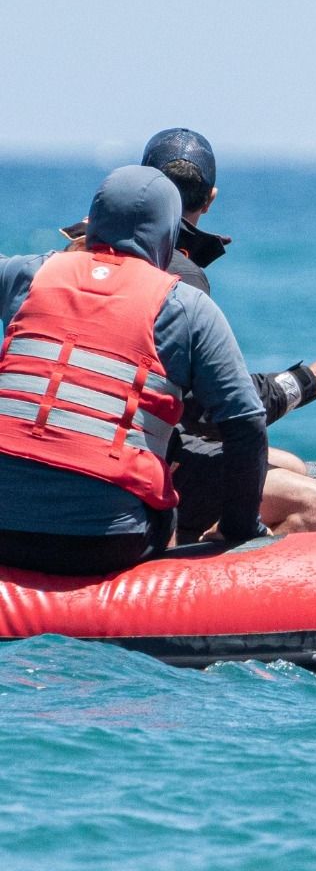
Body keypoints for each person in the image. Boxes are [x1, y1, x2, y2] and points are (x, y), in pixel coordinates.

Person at [0, 166, 267, 576]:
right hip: (105, 543)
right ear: (169, 234)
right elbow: (246, 426)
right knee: (171, 507)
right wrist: (239, 530)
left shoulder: (26, 274)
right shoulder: (187, 306)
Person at [132, 128, 316, 540]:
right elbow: (216, 411)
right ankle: (203, 590)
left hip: (119, 437)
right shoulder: (178, 277)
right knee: (309, 500)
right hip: (137, 456)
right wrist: (310, 381)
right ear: (210, 200)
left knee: (291, 466)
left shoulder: (76, 257)